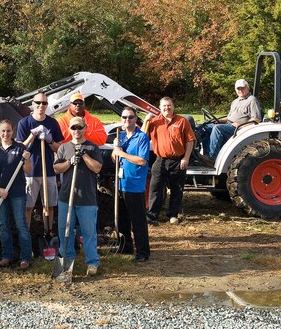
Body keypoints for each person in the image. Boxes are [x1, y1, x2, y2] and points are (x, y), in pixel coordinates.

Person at [53, 116, 104, 276]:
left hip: (87, 199)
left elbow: (97, 168)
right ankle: (68, 261)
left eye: (79, 127)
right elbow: (56, 168)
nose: (76, 130)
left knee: (89, 233)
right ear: (69, 129)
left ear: (85, 128)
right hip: (66, 198)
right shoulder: (63, 148)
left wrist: (84, 156)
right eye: (73, 128)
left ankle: (92, 263)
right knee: (65, 231)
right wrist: (70, 162)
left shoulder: (92, 148)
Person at [0, 119, 33, 270]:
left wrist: (26, 159)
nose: (6, 134)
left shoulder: (20, 148)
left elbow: (28, 170)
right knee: (3, 225)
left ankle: (25, 257)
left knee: (21, 225)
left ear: (13, 132)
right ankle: (7, 255)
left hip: (17, 192)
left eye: (9, 131)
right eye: (3, 131)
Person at [16, 92, 63, 237]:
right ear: (33, 103)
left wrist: (50, 141)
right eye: (38, 103)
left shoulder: (52, 123)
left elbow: (59, 149)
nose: (41, 106)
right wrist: (32, 135)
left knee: (48, 206)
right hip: (29, 172)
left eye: (44, 103)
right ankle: (26, 235)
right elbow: (19, 148)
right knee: (28, 207)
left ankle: (47, 233)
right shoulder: (24, 123)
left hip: (48, 171)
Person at [144, 97, 195, 225]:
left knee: (177, 189)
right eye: (164, 106)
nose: (167, 108)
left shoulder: (182, 121)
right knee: (155, 188)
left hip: (178, 161)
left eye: (169, 105)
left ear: (173, 106)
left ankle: (173, 215)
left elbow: (190, 140)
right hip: (160, 160)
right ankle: (152, 215)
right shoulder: (154, 122)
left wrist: (186, 158)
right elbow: (142, 137)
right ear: (160, 108)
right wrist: (145, 121)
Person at [111, 107, 151, 262]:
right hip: (121, 184)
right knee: (122, 219)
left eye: (130, 117)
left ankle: (143, 252)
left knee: (138, 221)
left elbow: (141, 160)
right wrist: (116, 149)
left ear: (136, 119)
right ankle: (125, 246)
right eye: (124, 117)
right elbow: (115, 159)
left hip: (134, 185)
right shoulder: (121, 136)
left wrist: (122, 154)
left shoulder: (142, 137)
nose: (127, 120)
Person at [195, 79, 263, 160]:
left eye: (242, 88)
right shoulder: (235, 101)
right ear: (236, 90)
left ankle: (212, 158)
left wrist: (241, 126)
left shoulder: (252, 100)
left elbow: (257, 119)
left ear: (248, 88)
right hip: (229, 124)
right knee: (205, 127)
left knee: (217, 128)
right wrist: (219, 121)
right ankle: (203, 155)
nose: (240, 90)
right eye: (238, 89)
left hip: (238, 129)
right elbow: (229, 117)